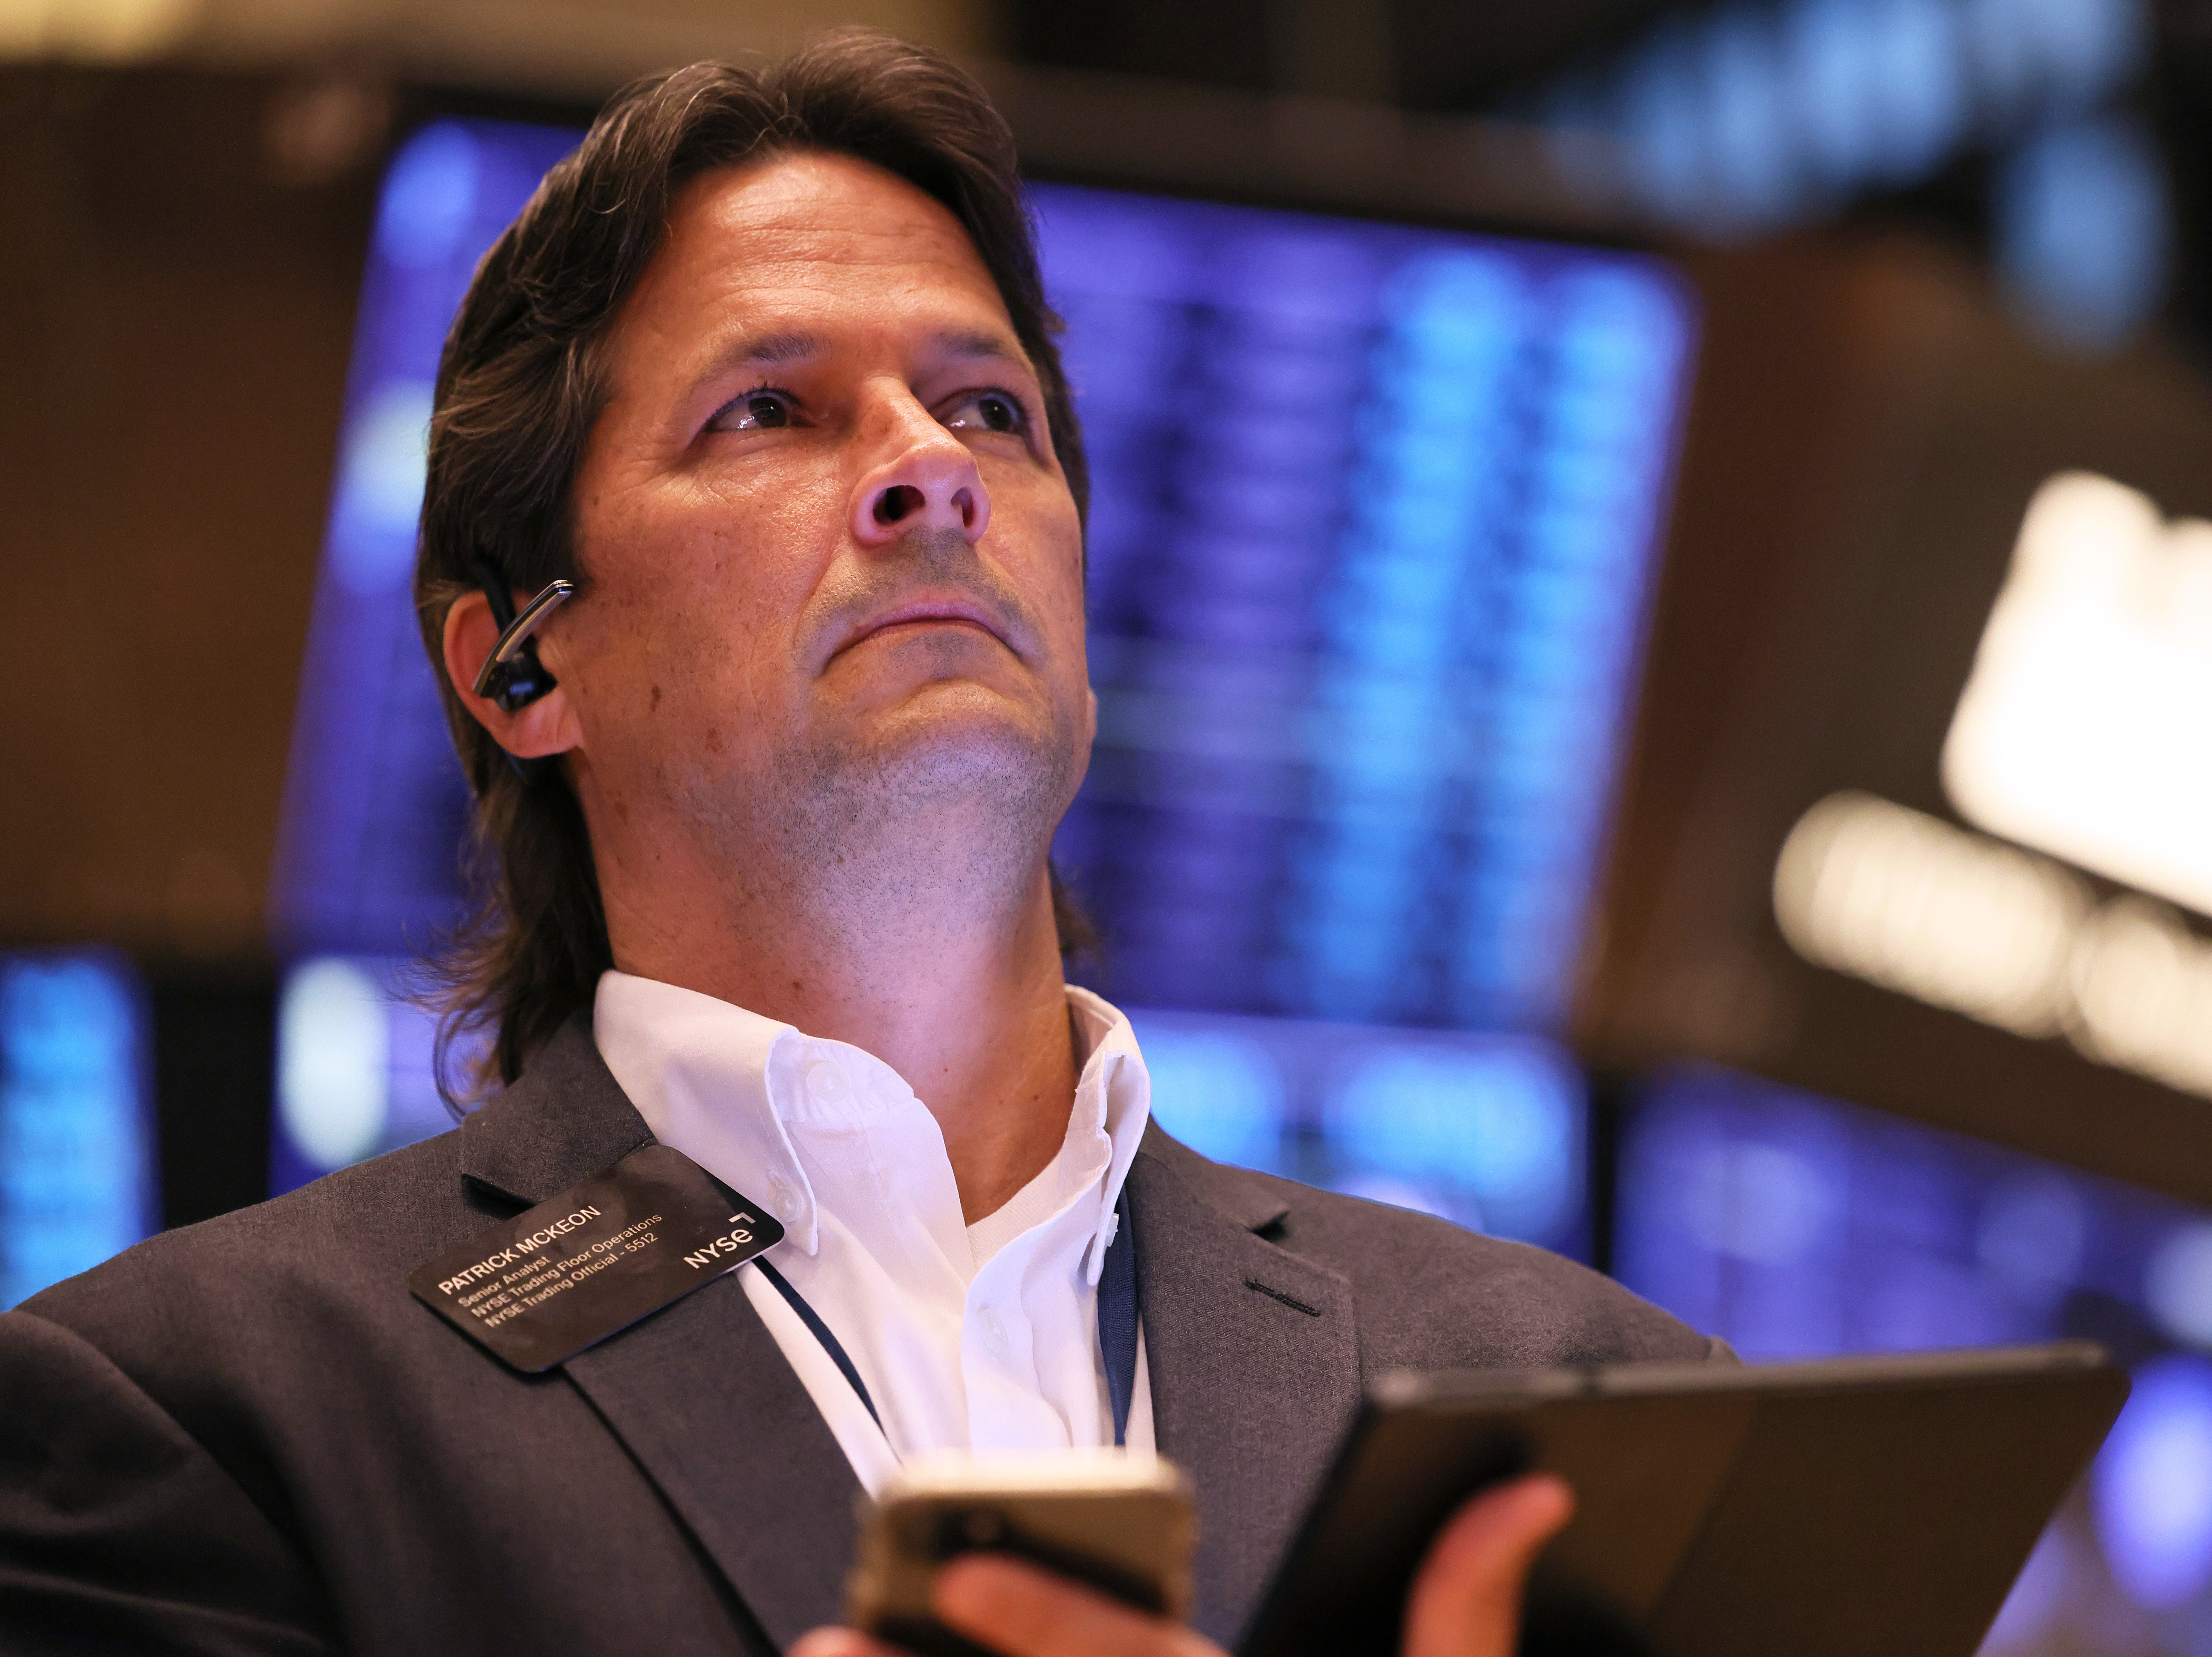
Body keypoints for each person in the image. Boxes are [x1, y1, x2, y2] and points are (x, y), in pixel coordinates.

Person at [0, 30, 1721, 1656]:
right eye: (768, 410)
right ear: (525, 667)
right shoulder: (200, 1418)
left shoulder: (1593, 1399)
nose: (930, 469)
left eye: (990, 410)